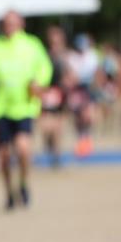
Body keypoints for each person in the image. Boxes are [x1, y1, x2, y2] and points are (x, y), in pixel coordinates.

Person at [0, 10, 52, 209]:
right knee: (3, 156)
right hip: (1, 108)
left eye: (13, 22)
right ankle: (9, 192)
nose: (9, 26)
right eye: (6, 23)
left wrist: (39, 82)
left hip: (25, 106)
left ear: (21, 23)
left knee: (23, 149)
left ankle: (23, 183)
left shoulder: (32, 44)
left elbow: (44, 67)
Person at [40, 26, 70, 168]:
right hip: (46, 93)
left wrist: (68, 82)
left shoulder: (65, 56)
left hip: (60, 94)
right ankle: (50, 144)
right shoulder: (44, 55)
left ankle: (57, 155)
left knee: (58, 127)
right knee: (46, 127)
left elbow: (71, 74)